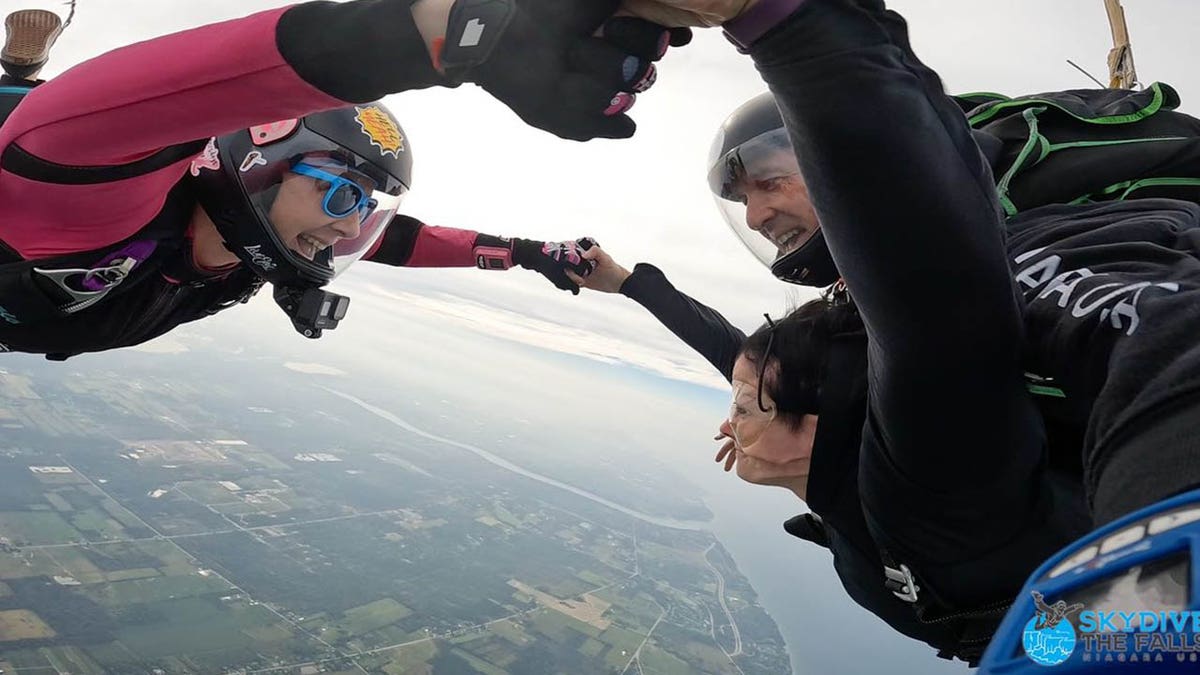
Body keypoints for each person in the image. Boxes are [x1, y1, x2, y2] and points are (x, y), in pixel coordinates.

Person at [622, 0, 1200, 664]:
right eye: (740, 197)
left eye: (767, 178)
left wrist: (1160, 585)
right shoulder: (854, 385)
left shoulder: (1002, 268)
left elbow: (1169, 336)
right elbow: (751, 362)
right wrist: (629, 282)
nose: (753, 214)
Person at [0, 0, 688, 359]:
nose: (352, 227)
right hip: (40, 160)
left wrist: (535, 255)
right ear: (262, 156)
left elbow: (406, 243)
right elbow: (77, 122)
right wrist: (440, 37)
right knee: (35, 119)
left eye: (367, 209)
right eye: (342, 193)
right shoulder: (113, 218)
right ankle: (17, 76)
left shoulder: (253, 255)